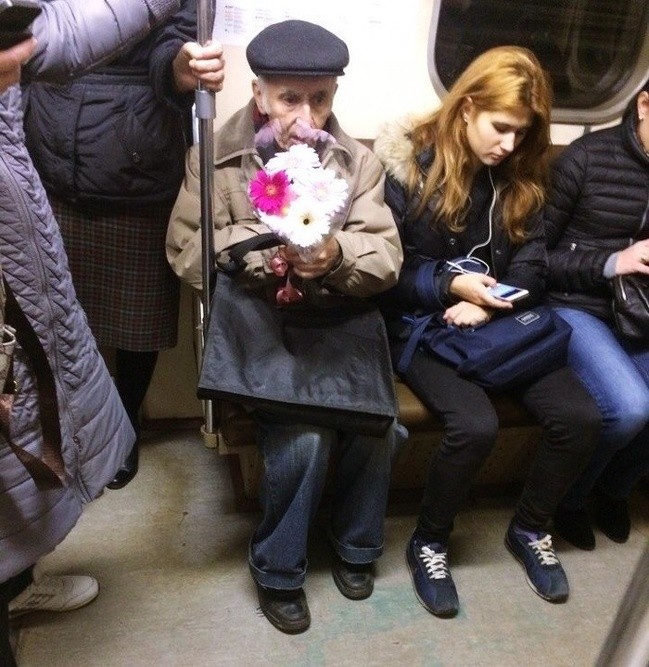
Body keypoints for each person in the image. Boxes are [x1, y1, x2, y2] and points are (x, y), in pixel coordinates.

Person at [167, 20, 405, 634]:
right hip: (257, 323)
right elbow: (184, 250)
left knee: (380, 426)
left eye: (320, 98)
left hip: (332, 318)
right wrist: (252, 250)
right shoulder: (212, 157)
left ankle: (355, 547)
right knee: (306, 438)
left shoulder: (358, 164)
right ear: (260, 94)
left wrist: (334, 257)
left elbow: (386, 257)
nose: (306, 115)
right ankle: (278, 570)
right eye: (290, 98)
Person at [373, 46, 601, 617]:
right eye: (501, 128)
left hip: (496, 322)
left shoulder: (518, 177)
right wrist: (453, 286)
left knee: (580, 418)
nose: (510, 145)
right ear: (468, 107)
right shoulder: (409, 169)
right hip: (422, 326)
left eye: (522, 135)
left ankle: (529, 529)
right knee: (473, 425)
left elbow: (533, 262)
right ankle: (430, 540)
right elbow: (387, 271)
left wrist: (494, 300)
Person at [0, 1, 187, 664]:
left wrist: (180, 67)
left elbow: (63, 34)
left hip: (126, 159)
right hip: (54, 164)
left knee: (86, 335)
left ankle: (15, 583)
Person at [23, 0, 225, 490]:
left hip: (135, 157)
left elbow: (170, 52)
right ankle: (68, 424)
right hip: (48, 150)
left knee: (138, 322)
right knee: (52, 316)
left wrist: (183, 66)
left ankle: (125, 422)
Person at [544, 80, 649, 551]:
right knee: (629, 408)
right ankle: (571, 499)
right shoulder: (585, 159)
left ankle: (614, 490)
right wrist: (611, 263)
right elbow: (533, 259)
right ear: (644, 105)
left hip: (641, 308)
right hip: (577, 304)